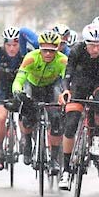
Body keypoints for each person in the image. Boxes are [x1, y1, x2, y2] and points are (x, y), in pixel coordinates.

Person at [60, 24, 99, 189]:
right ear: (85, 43)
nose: (95, 49)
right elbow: (67, 74)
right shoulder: (76, 50)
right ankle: (66, 170)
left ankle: (96, 137)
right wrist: (66, 90)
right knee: (70, 125)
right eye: (92, 45)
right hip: (79, 85)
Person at [11, 30, 68, 174]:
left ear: (57, 49)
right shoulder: (31, 58)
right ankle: (28, 141)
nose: (48, 54)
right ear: (40, 49)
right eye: (45, 51)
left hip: (51, 87)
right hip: (32, 86)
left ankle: (54, 158)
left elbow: (67, 81)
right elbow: (19, 79)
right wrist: (17, 92)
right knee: (27, 116)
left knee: (56, 119)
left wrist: (66, 94)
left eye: (51, 51)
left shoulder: (62, 60)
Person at [0, 27, 28, 170]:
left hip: (19, 87)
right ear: (4, 44)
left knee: (26, 112)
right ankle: (0, 150)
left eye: (15, 45)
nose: (12, 48)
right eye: (8, 45)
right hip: (2, 88)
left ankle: (25, 138)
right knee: (1, 117)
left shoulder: (26, 54)